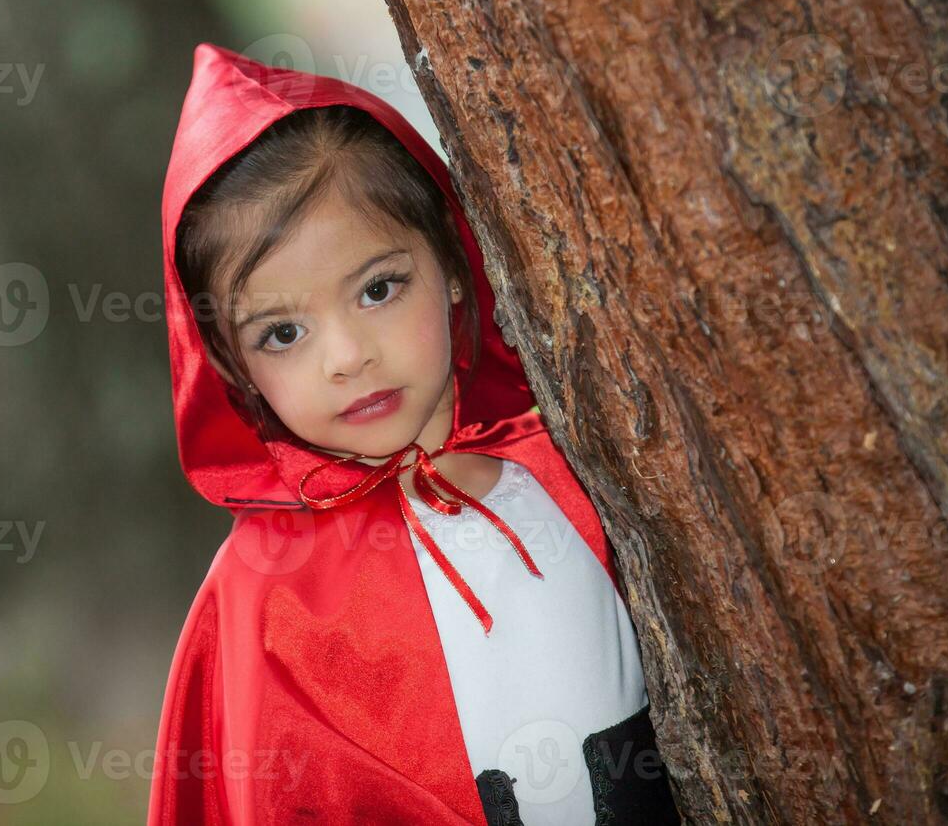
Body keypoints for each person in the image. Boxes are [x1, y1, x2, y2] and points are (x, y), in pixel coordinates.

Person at [148, 42, 680, 825]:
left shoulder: (583, 461)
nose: (348, 355)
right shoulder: (263, 596)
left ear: (455, 263)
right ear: (230, 367)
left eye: (379, 288)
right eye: (283, 334)